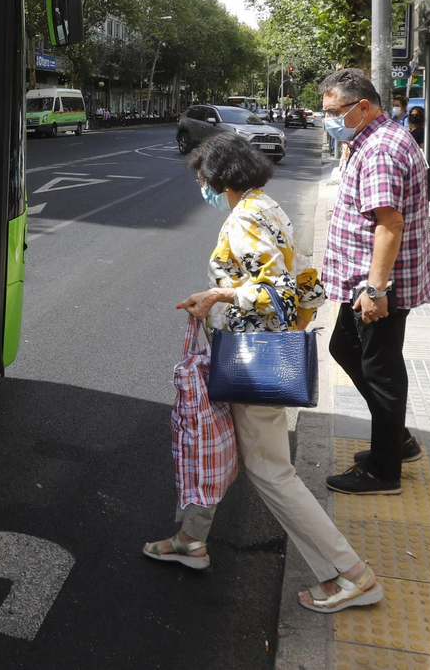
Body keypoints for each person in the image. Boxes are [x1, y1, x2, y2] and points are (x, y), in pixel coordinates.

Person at [150, 134, 382, 611]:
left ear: (223, 178)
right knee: (210, 443)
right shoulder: (267, 206)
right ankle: (190, 539)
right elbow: (299, 284)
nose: (200, 184)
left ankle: (351, 573)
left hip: (251, 361)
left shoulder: (245, 218)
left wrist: (215, 296)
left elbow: (277, 292)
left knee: (271, 471)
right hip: (247, 353)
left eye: (203, 177)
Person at [319, 68, 430, 495]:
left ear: (363, 107)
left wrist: (376, 290)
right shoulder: (371, 140)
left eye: (334, 112)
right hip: (366, 279)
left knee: (381, 371)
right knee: (345, 348)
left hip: (376, 284)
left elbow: (390, 224)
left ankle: (383, 471)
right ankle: (397, 439)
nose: (328, 120)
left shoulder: (380, 150)